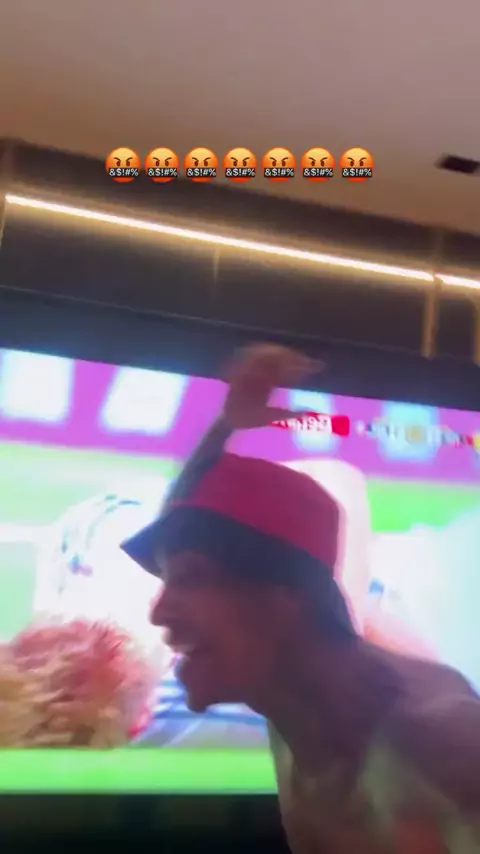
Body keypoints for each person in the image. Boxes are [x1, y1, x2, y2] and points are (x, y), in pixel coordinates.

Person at [123, 344, 480, 853]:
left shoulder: (441, 752)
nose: (158, 611)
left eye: (191, 579)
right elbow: (193, 530)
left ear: (283, 598)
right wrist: (226, 426)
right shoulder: (293, 698)